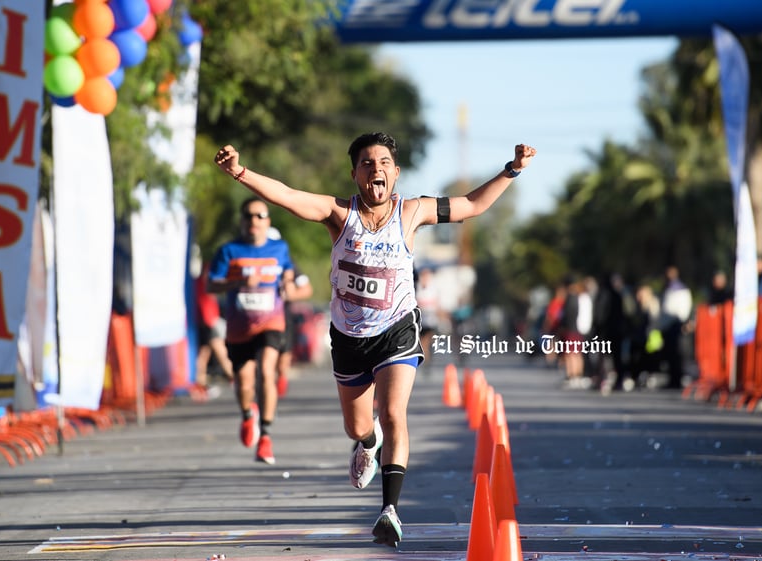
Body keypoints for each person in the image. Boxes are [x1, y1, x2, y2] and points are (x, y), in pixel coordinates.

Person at [214, 132, 536, 547]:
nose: (376, 169)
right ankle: (367, 444)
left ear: (396, 173)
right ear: (355, 174)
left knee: (394, 414)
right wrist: (240, 172)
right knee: (360, 426)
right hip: (349, 337)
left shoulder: (412, 211)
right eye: (367, 163)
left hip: (397, 330)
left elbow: (472, 205)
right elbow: (285, 195)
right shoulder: (337, 212)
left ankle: (389, 510)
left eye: (384, 163)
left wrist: (512, 170)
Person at [207, 197, 296, 465]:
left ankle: (266, 436)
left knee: (267, 371)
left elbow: (288, 272)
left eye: (260, 216)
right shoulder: (229, 251)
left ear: (268, 221)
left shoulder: (279, 248)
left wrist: (288, 283)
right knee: (245, 382)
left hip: (271, 323)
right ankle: (248, 414)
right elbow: (211, 286)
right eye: (248, 216)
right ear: (241, 221)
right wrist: (238, 280)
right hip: (239, 327)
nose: (254, 221)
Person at [193, 261, 234, 399]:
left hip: (206, 320)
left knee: (204, 354)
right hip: (208, 321)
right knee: (220, 352)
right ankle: (234, 378)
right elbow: (204, 303)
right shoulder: (205, 281)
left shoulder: (200, 282)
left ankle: (201, 385)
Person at [276, 260, 313, 398]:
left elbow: (307, 289)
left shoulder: (287, 263)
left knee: (283, 355)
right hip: (252, 318)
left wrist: (289, 295)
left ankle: (280, 378)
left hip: (282, 316)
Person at [658, 266, 692, 389]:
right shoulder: (667, 288)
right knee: (669, 354)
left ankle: (677, 379)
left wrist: (682, 322)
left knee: (677, 354)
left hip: (675, 325)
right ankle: (672, 379)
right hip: (667, 326)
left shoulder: (680, 290)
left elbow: (683, 309)